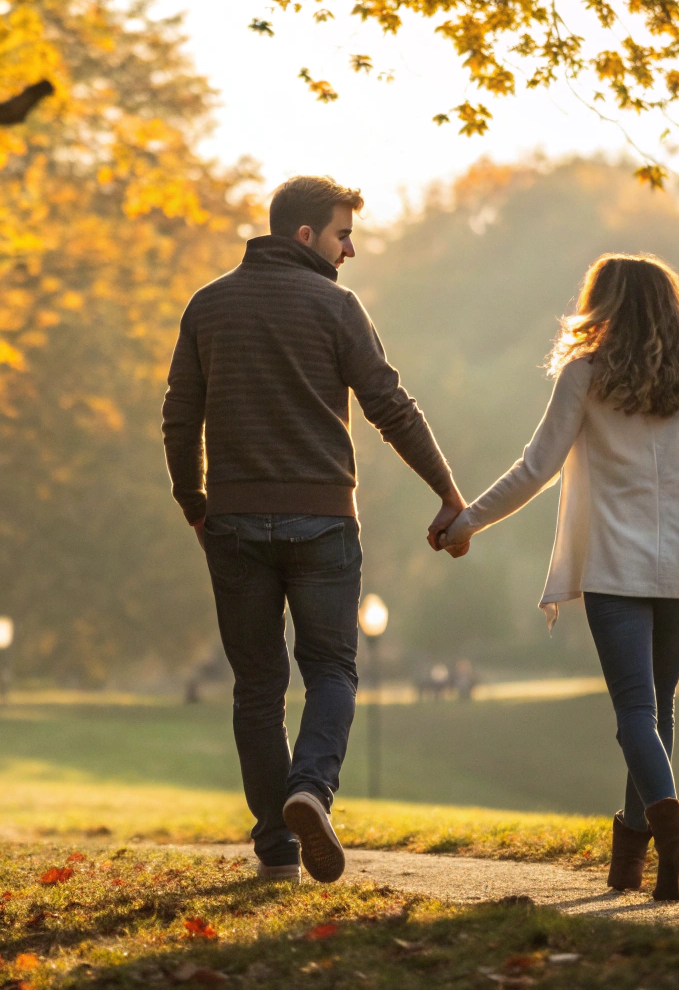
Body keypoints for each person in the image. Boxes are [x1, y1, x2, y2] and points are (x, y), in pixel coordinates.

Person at [162, 176, 467, 884]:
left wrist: (193, 500)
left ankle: (276, 848)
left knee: (258, 687)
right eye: (342, 234)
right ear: (306, 237)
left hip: (233, 521)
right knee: (331, 669)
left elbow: (180, 414)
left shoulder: (208, 306)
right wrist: (448, 492)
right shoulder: (336, 306)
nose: (350, 249)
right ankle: (311, 790)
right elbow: (391, 406)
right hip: (324, 521)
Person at [434, 253, 679, 901]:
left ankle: (672, 841)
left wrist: (466, 521)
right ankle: (638, 870)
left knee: (636, 714)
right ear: (672, 307)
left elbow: (536, 468)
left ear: (603, 305)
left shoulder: (584, 376)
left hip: (616, 568)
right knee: (655, 712)